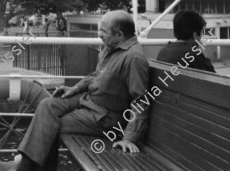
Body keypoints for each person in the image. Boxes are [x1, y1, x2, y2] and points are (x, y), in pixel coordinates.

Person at [14, 11, 150, 171]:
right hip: (88, 101)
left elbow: (141, 100)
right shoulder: (110, 48)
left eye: (103, 31)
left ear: (119, 34)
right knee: (47, 105)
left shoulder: (134, 58)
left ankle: (25, 167)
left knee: (50, 126)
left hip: (106, 118)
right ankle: (29, 165)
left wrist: (130, 138)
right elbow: (96, 75)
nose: (99, 34)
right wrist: (75, 88)